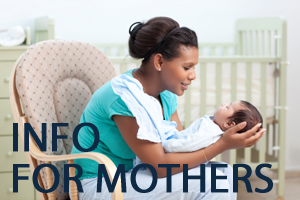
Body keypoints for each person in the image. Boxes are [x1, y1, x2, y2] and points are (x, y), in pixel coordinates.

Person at [71, 17, 266, 200]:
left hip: (135, 173)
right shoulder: (123, 97)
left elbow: (179, 148)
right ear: (159, 62)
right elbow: (161, 167)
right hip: (100, 183)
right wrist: (222, 145)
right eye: (187, 67)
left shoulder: (165, 94)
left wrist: (219, 133)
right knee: (213, 182)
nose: (193, 76)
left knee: (223, 172)